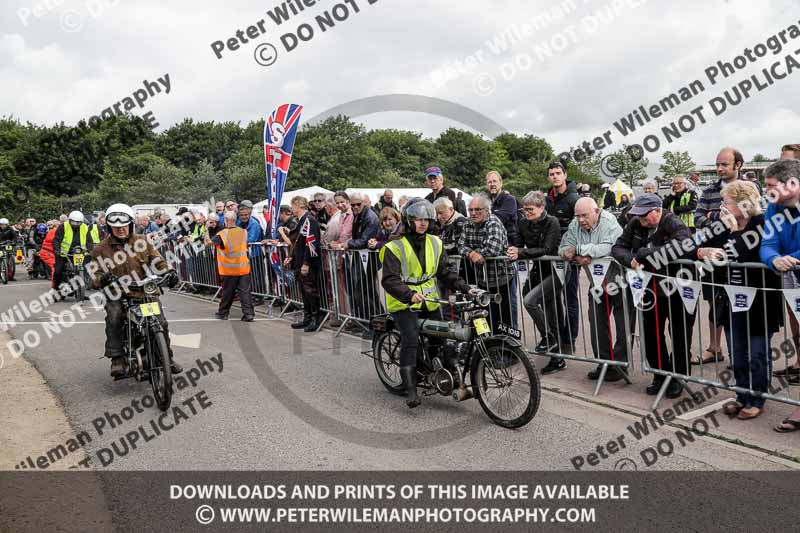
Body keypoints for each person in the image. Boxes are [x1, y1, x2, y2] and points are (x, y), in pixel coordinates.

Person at [696, 180, 779, 420]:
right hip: (730, 298)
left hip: (758, 300)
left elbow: (742, 253)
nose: (723, 206)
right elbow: (703, 245)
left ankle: (757, 398)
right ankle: (742, 394)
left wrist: (733, 232)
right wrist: (703, 251)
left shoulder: (761, 224)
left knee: (756, 351)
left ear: (744, 203)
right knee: (737, 351)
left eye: (727, 202)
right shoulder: (723, 225)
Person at [380, 198, 474, 408]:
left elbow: (444, 273)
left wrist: (466, 287)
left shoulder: (435, 242)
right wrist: (409, 294)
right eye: (418, 219)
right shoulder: (393, 247)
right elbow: (389, 280)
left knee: (440, 338)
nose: (422, 223)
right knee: (411, 339)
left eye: (426, 219)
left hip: (430, 300)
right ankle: (411, 389)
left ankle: (439, 373)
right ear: (409, 220)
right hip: (404, 302)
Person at [612, 194, 696, 399]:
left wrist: (642, 253)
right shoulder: (635, 223)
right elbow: (618, 247)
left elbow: (684, 248)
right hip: (650, 289)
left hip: (679, 285)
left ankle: (677, 377)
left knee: (679, 332)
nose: (640, 219)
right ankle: (659, 375)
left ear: (658, 210)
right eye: (637, 215)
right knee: (651, 332)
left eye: (644, 215)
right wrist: (630, 259)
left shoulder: (673, 222)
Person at [89, 203, 182, 378]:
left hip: (144, 293)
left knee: (160, 322)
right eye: (116, 227)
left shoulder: (143, 242)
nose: (121, 230)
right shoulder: (100, 249)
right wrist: (102, 279)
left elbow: (158, 261)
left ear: (131, 224)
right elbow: (94, 277)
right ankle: (117, 358)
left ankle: (166, 359)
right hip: (118, 294)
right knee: (114, 316)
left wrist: (169, 272)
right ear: (109, 227)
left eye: (124, 226)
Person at [560, 198, 630, 381]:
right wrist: (577, 257)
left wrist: (581, 249)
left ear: (597, 211)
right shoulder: (574, 225)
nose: (581, 220)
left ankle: (620, 366)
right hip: (596, 283)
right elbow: (562, 249)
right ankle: (604, 363)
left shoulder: (609, 222)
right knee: (596, 323)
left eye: (585, 215)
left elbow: (609, 248)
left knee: (624, 326)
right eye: (578, 216)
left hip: (619, 280)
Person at [694, 147, 743, 365]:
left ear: (738, 165)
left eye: (724, 164)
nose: (720, 168)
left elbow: (749, 217)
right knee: (714, 301)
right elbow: (697, 218)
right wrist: (719, 220)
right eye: (717, 164)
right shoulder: (709, 190)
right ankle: (714, 349)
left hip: (740, 254)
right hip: (712, 256)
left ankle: (738, 353)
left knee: (739, 302)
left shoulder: (750, 188)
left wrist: (713, 217)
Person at [511, 192, 561, 357]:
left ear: (541, 208)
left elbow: (547, 249)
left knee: (530, 301)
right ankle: (556, 353)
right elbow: (518, 245)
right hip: (538, 270)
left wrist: (521, 251)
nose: (527, 213)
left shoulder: (552, 221)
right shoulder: (524, 223)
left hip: (556, 271)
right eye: (524, 210)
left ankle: (549, 338)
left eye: (530, 209)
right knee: (546, 310)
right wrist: (513, 251)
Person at [457, 194, 513, 333]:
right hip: (481, 279)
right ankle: (487, 346)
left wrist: (476, 252)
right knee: (482, 314)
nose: (473, 213)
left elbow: (493, 249)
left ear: (487, 210)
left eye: (478, 210)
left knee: (501, 317)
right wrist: (472, 254)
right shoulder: (467, 223)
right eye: (471, 210)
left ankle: (505, 347)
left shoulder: (493, 222)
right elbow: (460, 245)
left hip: (501, 277)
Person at [545, 161, 580, 351]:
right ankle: (556, 336)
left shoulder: (574, 198)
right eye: (551, 174)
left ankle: (569, 340)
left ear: (565, 175)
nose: (555, 176)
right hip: (550, 256)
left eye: (558, 173)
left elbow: (579, 229)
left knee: (570, 298)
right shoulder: (547, 199)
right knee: (551, 298)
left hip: (569, 257)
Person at [341, 192, 382, 337]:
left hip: (368, 259)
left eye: (358, 204)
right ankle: (373, 324)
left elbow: (365, 240)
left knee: (364, 293)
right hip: (360, 257)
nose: (355, 207)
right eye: (352, 205)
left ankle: (375, 325)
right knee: (366, 293)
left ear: (364, 203)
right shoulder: (358, 215)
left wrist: (348, 243)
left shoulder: (370, 217)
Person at [205, 210, 255, 321]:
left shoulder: (222, 234)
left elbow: (207, 243)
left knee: (227, 293)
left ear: (226, 221)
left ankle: (223, 313)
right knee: (245, 293)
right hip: (243, 268)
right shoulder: (243, 232)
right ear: (235, 220)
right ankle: (249, 314)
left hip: (229, 269)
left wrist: (206, 230)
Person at [284, 196, 323, 332]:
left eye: (293, 206)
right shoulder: (301, 221)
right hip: (299, 261)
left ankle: (315, 318)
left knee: (310, 291)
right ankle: (307, 317)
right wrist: (291, 257)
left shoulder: (309, 221)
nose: (291, 209)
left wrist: (306, 263)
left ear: (298, 205)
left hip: (308, 263)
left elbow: (311, 244)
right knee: (304, 291)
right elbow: (298, 242)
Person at [52, 211, 95, 299]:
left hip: (79, 253)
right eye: (74, 222)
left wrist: (90, 250)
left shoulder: (85, 227)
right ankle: (56, 291)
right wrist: (57, 250)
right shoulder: (63, 226)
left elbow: (89, 241)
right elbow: (56, 240)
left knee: (84, 270)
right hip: (64, 254)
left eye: (78, 222)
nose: (76, 224)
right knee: (58, 271)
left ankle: (81, 291)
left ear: (82, 222)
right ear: (70, 220)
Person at [238, 200, 265, 304]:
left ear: (249, 214)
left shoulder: (254, 224)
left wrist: (239, 241)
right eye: (241, 215)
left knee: (257, 275)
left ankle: (259, 296)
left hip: (255, 254)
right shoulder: (240, 223)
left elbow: (251, 239)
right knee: (249, 277)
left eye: (245, 215)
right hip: (245, 255)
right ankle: (252, 294)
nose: (243, 217)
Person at [485, 171, 520, 245]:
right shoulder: (486, 201)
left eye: (495, 181)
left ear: (501, 183)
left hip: (508, 243)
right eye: (489, 182)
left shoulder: (509, 199)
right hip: (491, 241)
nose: (492, 184)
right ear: (487, 185)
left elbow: (498, 220)